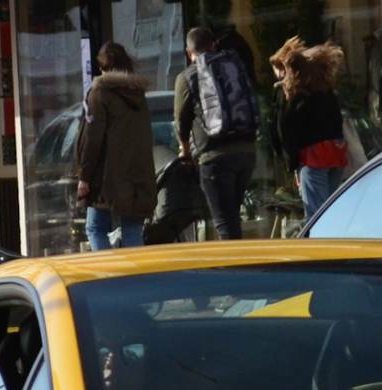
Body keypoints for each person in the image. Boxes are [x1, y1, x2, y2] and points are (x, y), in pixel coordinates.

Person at [173, 25, 258, 241]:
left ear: (188, 52)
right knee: (232, 218)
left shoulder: (187, 77)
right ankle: (239, 267)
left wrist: (184, 151)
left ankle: (235, 272)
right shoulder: (232, 66)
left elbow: (181, 121)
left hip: (215, 159)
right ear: (213, 45)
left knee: (225, 223)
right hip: (247, 153)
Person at [75, 41, 156, 250]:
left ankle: (110, 277)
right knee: (132, 230)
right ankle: (137, 280)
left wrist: (84, 176)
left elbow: (92, 138)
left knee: (95, 228)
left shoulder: (100, 93)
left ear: (101, 68)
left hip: (106, 176)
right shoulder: (138, 94)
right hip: (137, 174)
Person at [272, 37, 349, 222]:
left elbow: (287, 132)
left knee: (316, 216)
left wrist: (292, 166)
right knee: (331, 211)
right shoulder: (324, 89)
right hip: (335, 153)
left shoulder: (292, 94)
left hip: (313, 157)